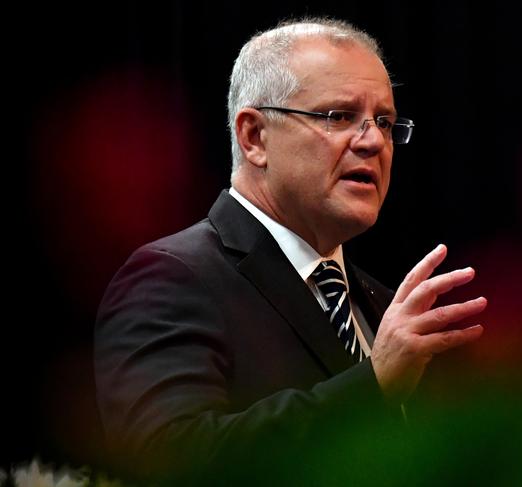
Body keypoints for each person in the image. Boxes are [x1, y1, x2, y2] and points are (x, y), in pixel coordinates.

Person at [94, 17, 487, 485]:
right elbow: (168, 460)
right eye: (339, 116)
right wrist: (373, 383)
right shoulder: (171, 278)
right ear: (254, 137)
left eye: (384, 121)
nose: (373, 142)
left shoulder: (383, 308)